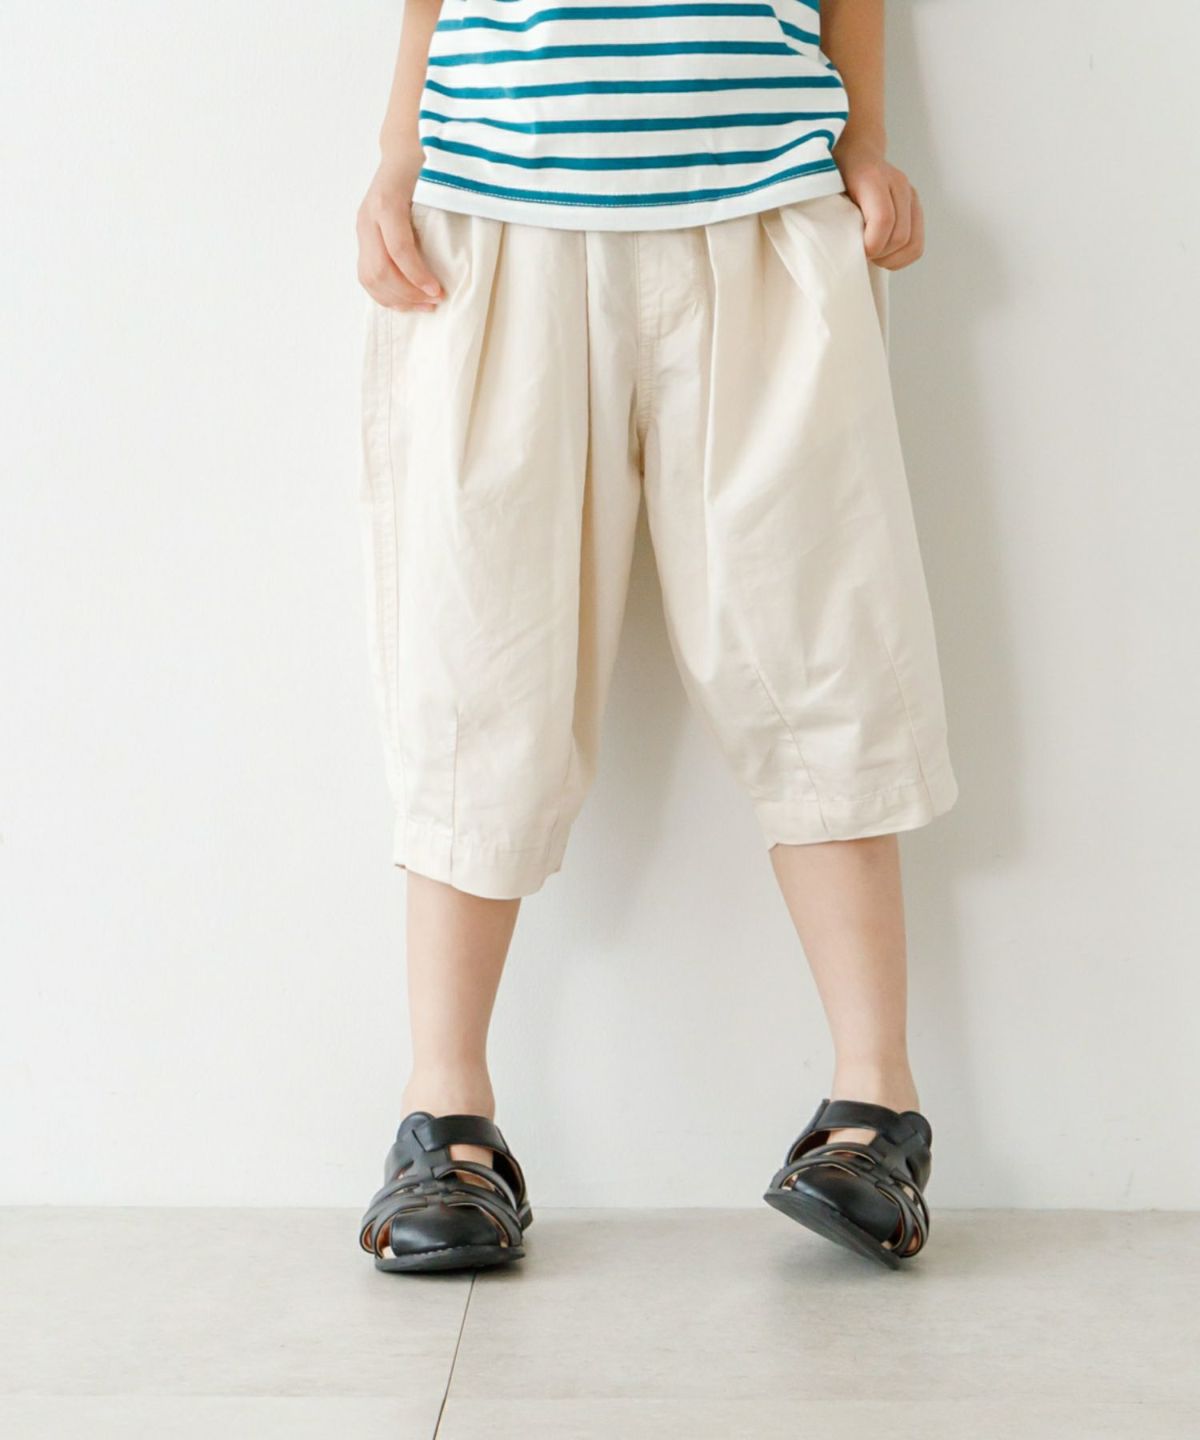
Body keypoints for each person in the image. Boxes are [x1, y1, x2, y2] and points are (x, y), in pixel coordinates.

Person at [355, 0, 957, 1274]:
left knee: (820, 644)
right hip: (496, 213)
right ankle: (443, 1114)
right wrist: (398, 154)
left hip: (766, 203)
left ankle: (876, 1104)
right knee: (480, 663)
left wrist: (865, 136)